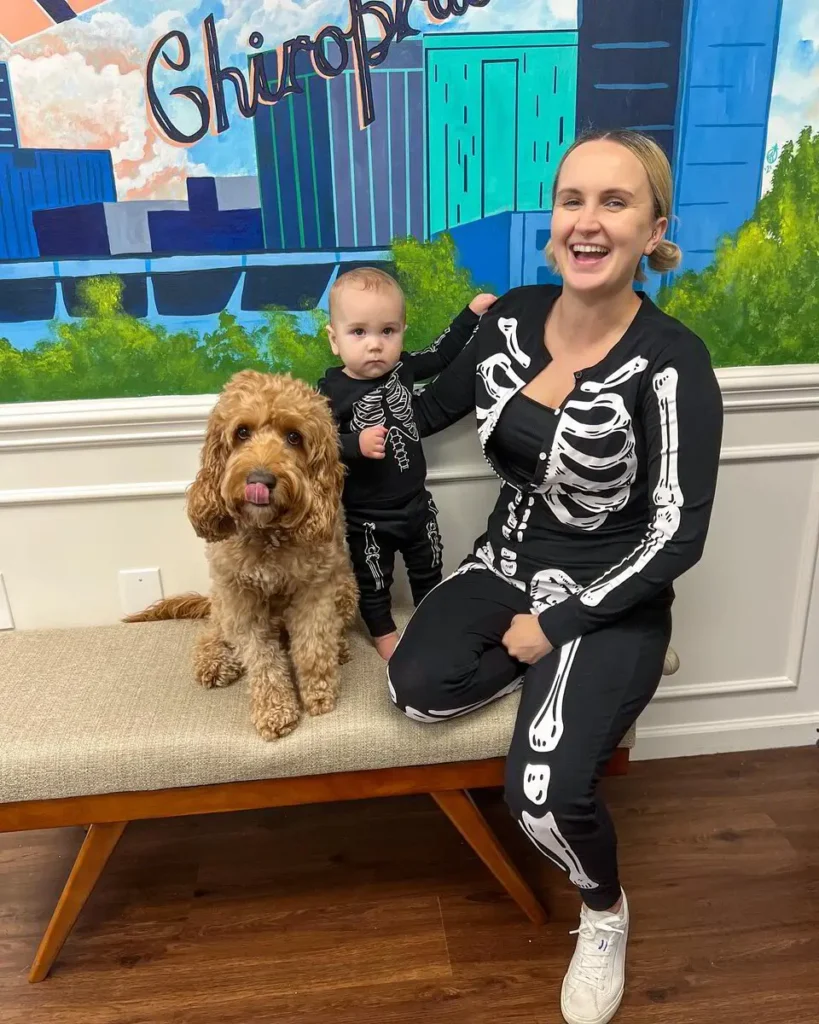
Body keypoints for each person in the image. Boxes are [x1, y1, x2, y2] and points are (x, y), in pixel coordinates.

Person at [388, 129, 724, 1024]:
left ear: (654, 228)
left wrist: (559, 628)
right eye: (572, 200)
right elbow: (425, 410)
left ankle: (603, 910)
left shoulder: (672, 360)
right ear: (552, 221)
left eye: (614, 203)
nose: (587, 221)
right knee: (415, 690)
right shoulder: (508, 320)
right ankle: (562, 698)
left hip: (611, 588)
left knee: (540, 793)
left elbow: (677, 534)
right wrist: (330, 410)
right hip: (505, 559)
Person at [317, 268, 497, 660]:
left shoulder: (405, 369)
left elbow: (441, 353)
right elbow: (317, 443)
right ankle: (382, 632)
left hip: (415, 503)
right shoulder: (330, 390)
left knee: (429, 566)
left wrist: (470, 315)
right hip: (366, 515)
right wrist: (354, 443)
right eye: (359, 332)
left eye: (388, 331)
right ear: (335, 339)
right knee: (373, 577)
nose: (376, 345)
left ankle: (430, 617)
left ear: (401, 331)